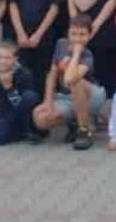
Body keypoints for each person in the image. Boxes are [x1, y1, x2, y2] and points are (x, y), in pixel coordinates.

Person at [34, 20, 108, 151]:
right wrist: (48, 102)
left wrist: (76, 54)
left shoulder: (87, 56)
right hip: (67, 98)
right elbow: (52, 74)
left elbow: (70, 78)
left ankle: (84, 131)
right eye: (73, 34)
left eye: (82, 34)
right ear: (68, 33)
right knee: (40, 118)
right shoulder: (61, 44)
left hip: (92, 97)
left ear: (89, 36)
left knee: (75, 80)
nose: (77, 38)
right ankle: (74, 123)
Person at [0, 44, 42, 146]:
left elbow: (31, 100)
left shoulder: (24, 73)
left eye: (7, 58)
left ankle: (29, 130)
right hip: (6, 113)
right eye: (0, 57)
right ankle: (19, 133)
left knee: (30, 96)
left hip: (25, 113)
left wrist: (9, 88)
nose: (3, 61)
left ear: (15, 59)